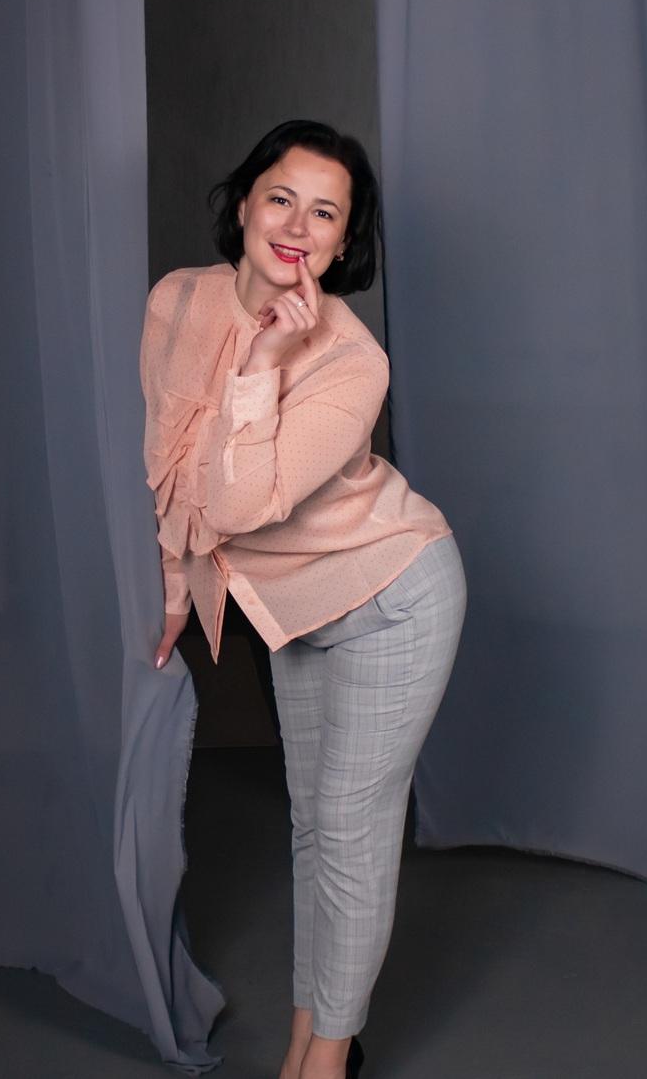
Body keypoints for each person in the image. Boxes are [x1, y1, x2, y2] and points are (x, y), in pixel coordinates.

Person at [142, 119, 464, 1079]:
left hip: (391, 598)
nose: (296, 226)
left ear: (343, 238)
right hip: (297, 612)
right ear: (244, 201)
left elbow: (245, 501)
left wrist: (266, 366)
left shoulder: (352, 360)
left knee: (351, 833)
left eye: (325, 213)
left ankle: (321, 1065)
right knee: (314, 830)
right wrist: (172, 588)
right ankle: (307, 1042)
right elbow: (167, 458)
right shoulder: (177, 301)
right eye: (281, 197)